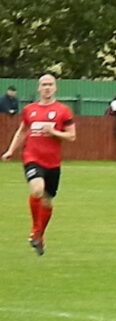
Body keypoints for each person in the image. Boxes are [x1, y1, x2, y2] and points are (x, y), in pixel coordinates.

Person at [1, 74, 76, 255]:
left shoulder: (63, 111)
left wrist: (54, 132)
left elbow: (71, 136)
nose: (47, 88)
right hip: (32, 157)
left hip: (53, 162)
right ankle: (36, 229)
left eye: (50, 84)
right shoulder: (29, 110)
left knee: (47, 201)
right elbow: (21, 132)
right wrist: (11, 150)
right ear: (38, 88)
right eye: (44, 85)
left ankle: (40, 235)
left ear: (55, 88)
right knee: (37, 190)